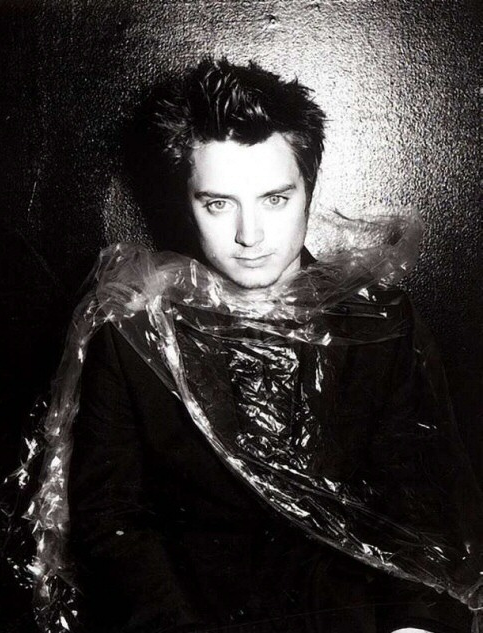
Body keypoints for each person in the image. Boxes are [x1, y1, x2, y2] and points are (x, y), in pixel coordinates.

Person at [65, 59, 481, 633]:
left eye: (275, 199)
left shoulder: (378, 323)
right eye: (218, 203)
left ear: (309, 189)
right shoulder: (134, 333)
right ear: (186, 200)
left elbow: (416, 491)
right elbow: (111, 520)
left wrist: (413, 624)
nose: (250, 235)